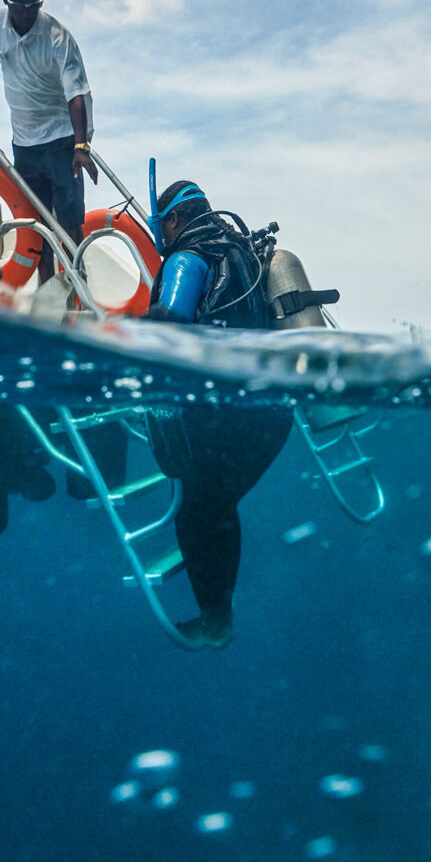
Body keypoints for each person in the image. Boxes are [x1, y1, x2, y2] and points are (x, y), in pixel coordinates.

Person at [139, 179, 293, 649]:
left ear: (174, 220)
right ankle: (217, 606)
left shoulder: (188, 259)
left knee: (199, 511)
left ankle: (215, 619)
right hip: (272, 415)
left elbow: (171, 323)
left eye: (159, 226)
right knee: (214, 503)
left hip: (230, 421)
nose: (161, 237)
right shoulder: (245, 251)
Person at [0, 0, 96, 280]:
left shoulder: (58, 36)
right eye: (20, 7)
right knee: (34, 225)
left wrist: (81, 146)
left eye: (34, 5)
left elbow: (77, 93)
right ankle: (46, 292)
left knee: (68, 221)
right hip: (25, 143)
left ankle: (80, 291)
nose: (27, 13)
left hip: (64, 138)